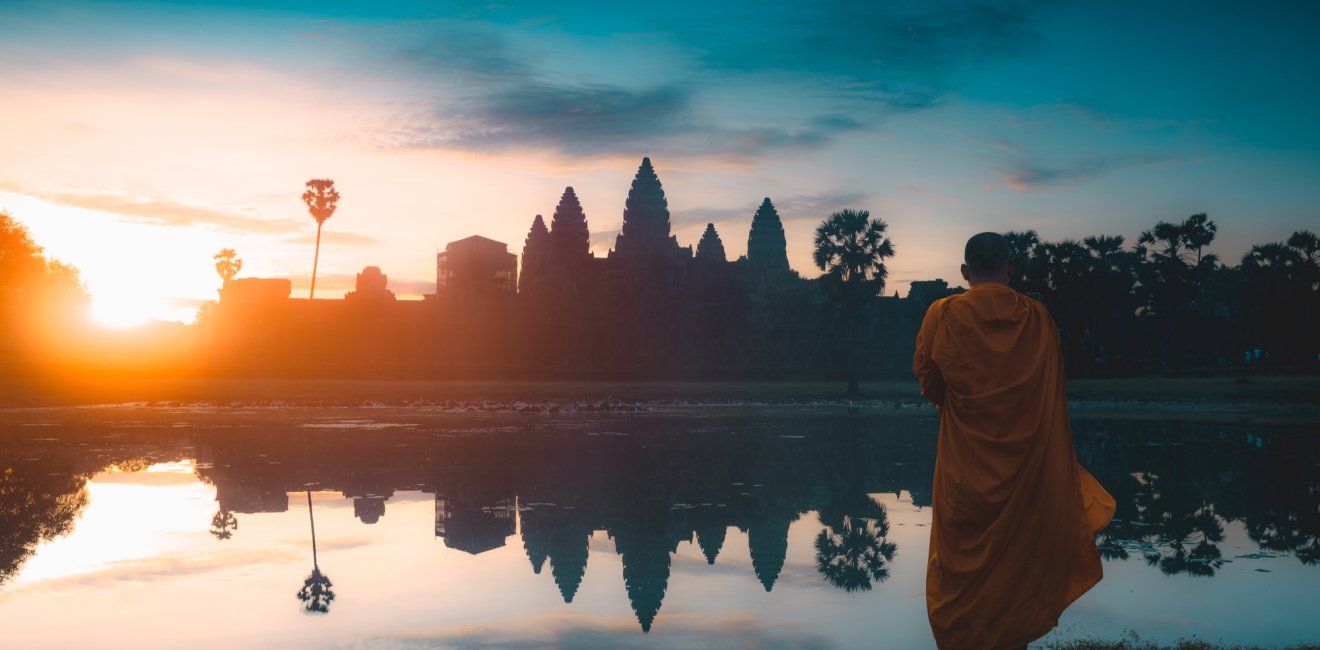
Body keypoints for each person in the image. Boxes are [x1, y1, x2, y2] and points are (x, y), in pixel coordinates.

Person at [913, 232, 1115, 649]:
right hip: (1027, 474)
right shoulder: (1037, 317)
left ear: (965, 272)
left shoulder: (944, 313)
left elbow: (931, 385)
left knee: (958, 580)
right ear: (1009, 270)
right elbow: (1047, 391)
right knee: (1016, 579)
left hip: (963, 472)